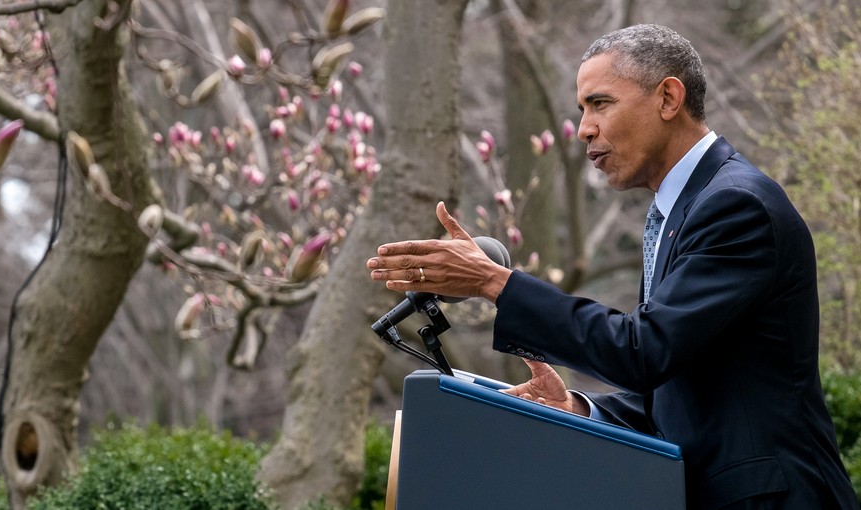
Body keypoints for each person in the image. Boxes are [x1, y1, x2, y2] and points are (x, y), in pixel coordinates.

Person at [367, 24, 858, 510]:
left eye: (600, 104)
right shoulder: (681, 209)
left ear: (668, 98)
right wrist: (580, 409)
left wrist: (493, 282)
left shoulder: (735, 206)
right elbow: (679, 394)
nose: (584, 129)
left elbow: (644, 352)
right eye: (582, 110)